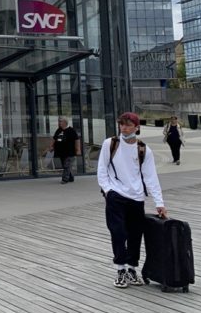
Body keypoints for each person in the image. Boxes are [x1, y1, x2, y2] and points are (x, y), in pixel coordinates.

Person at [97, 111, 167, 288]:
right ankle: (120, 269)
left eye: (128, 125)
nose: (124, 128)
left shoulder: (143, 149)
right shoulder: (110, 144)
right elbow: (102, 169)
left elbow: (150, 177)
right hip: (116, 196)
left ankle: (131, 269)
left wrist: (159, 203)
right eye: (121, 124)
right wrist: (108, 190)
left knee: (135, 235)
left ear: (137, 127)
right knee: (118, 233)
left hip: (136, 197)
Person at [48, 116, 80, 184]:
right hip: (61, 152)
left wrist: (78, 149)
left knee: (66, 165)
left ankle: (65, 179)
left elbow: (77, 140)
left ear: (65, 122)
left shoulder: (71, 130)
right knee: (66, 166)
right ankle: (70, 177)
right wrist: (51, 146)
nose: (59, 123)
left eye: (60, 121)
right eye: (59, 121)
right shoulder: (59, 130)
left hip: (70, 152)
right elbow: (54, 139)